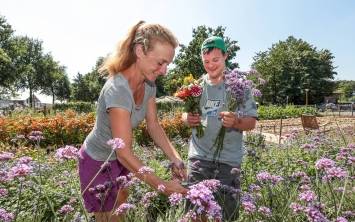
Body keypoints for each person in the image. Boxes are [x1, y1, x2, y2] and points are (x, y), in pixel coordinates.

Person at [78, 21, 188, 222]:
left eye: (168, 64)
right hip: (97, 160)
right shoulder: (118, 90)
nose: (164, 71)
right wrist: (162, 185)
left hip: (119, 161)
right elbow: (124, 152)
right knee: (107, 216)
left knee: (121, 205)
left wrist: (175, 158)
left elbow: (154, 125)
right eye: (160, 63)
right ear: (140, 51)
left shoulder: (149, 86)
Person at [182, 36, 257, 221]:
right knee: (195, 214)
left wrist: (236, 122)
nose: (211, 65)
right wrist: (187, 118)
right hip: (199, 158)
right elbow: (183, 114)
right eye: (206, 61)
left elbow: (252, 121)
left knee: (226, 215)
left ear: (225, 56)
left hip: (228, 161)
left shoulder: (239, 85)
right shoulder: (196, 87)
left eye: (216, 60)